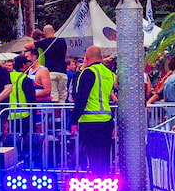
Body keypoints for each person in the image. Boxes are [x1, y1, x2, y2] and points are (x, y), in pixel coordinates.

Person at [71, 45, 117, 174]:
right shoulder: (109, 73)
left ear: (86, 58)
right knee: (104, 156)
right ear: (101, 57)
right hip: (107, 120)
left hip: (89, 120)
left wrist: (74, 121)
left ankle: (95, 184)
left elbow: (80, 98)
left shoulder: (88, 72)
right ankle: (105, 183)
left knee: (92, 156)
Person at [35, 25, 69, 102]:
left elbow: (28, 46)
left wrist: (39, 42)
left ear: (44, 33)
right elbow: (66, 54)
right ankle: (61, 113)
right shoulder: (62, 41)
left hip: (51, 71)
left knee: (54, 96)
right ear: (53, 31)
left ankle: (56, 114)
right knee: (62, 95)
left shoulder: (44, 42)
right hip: (62, 71)